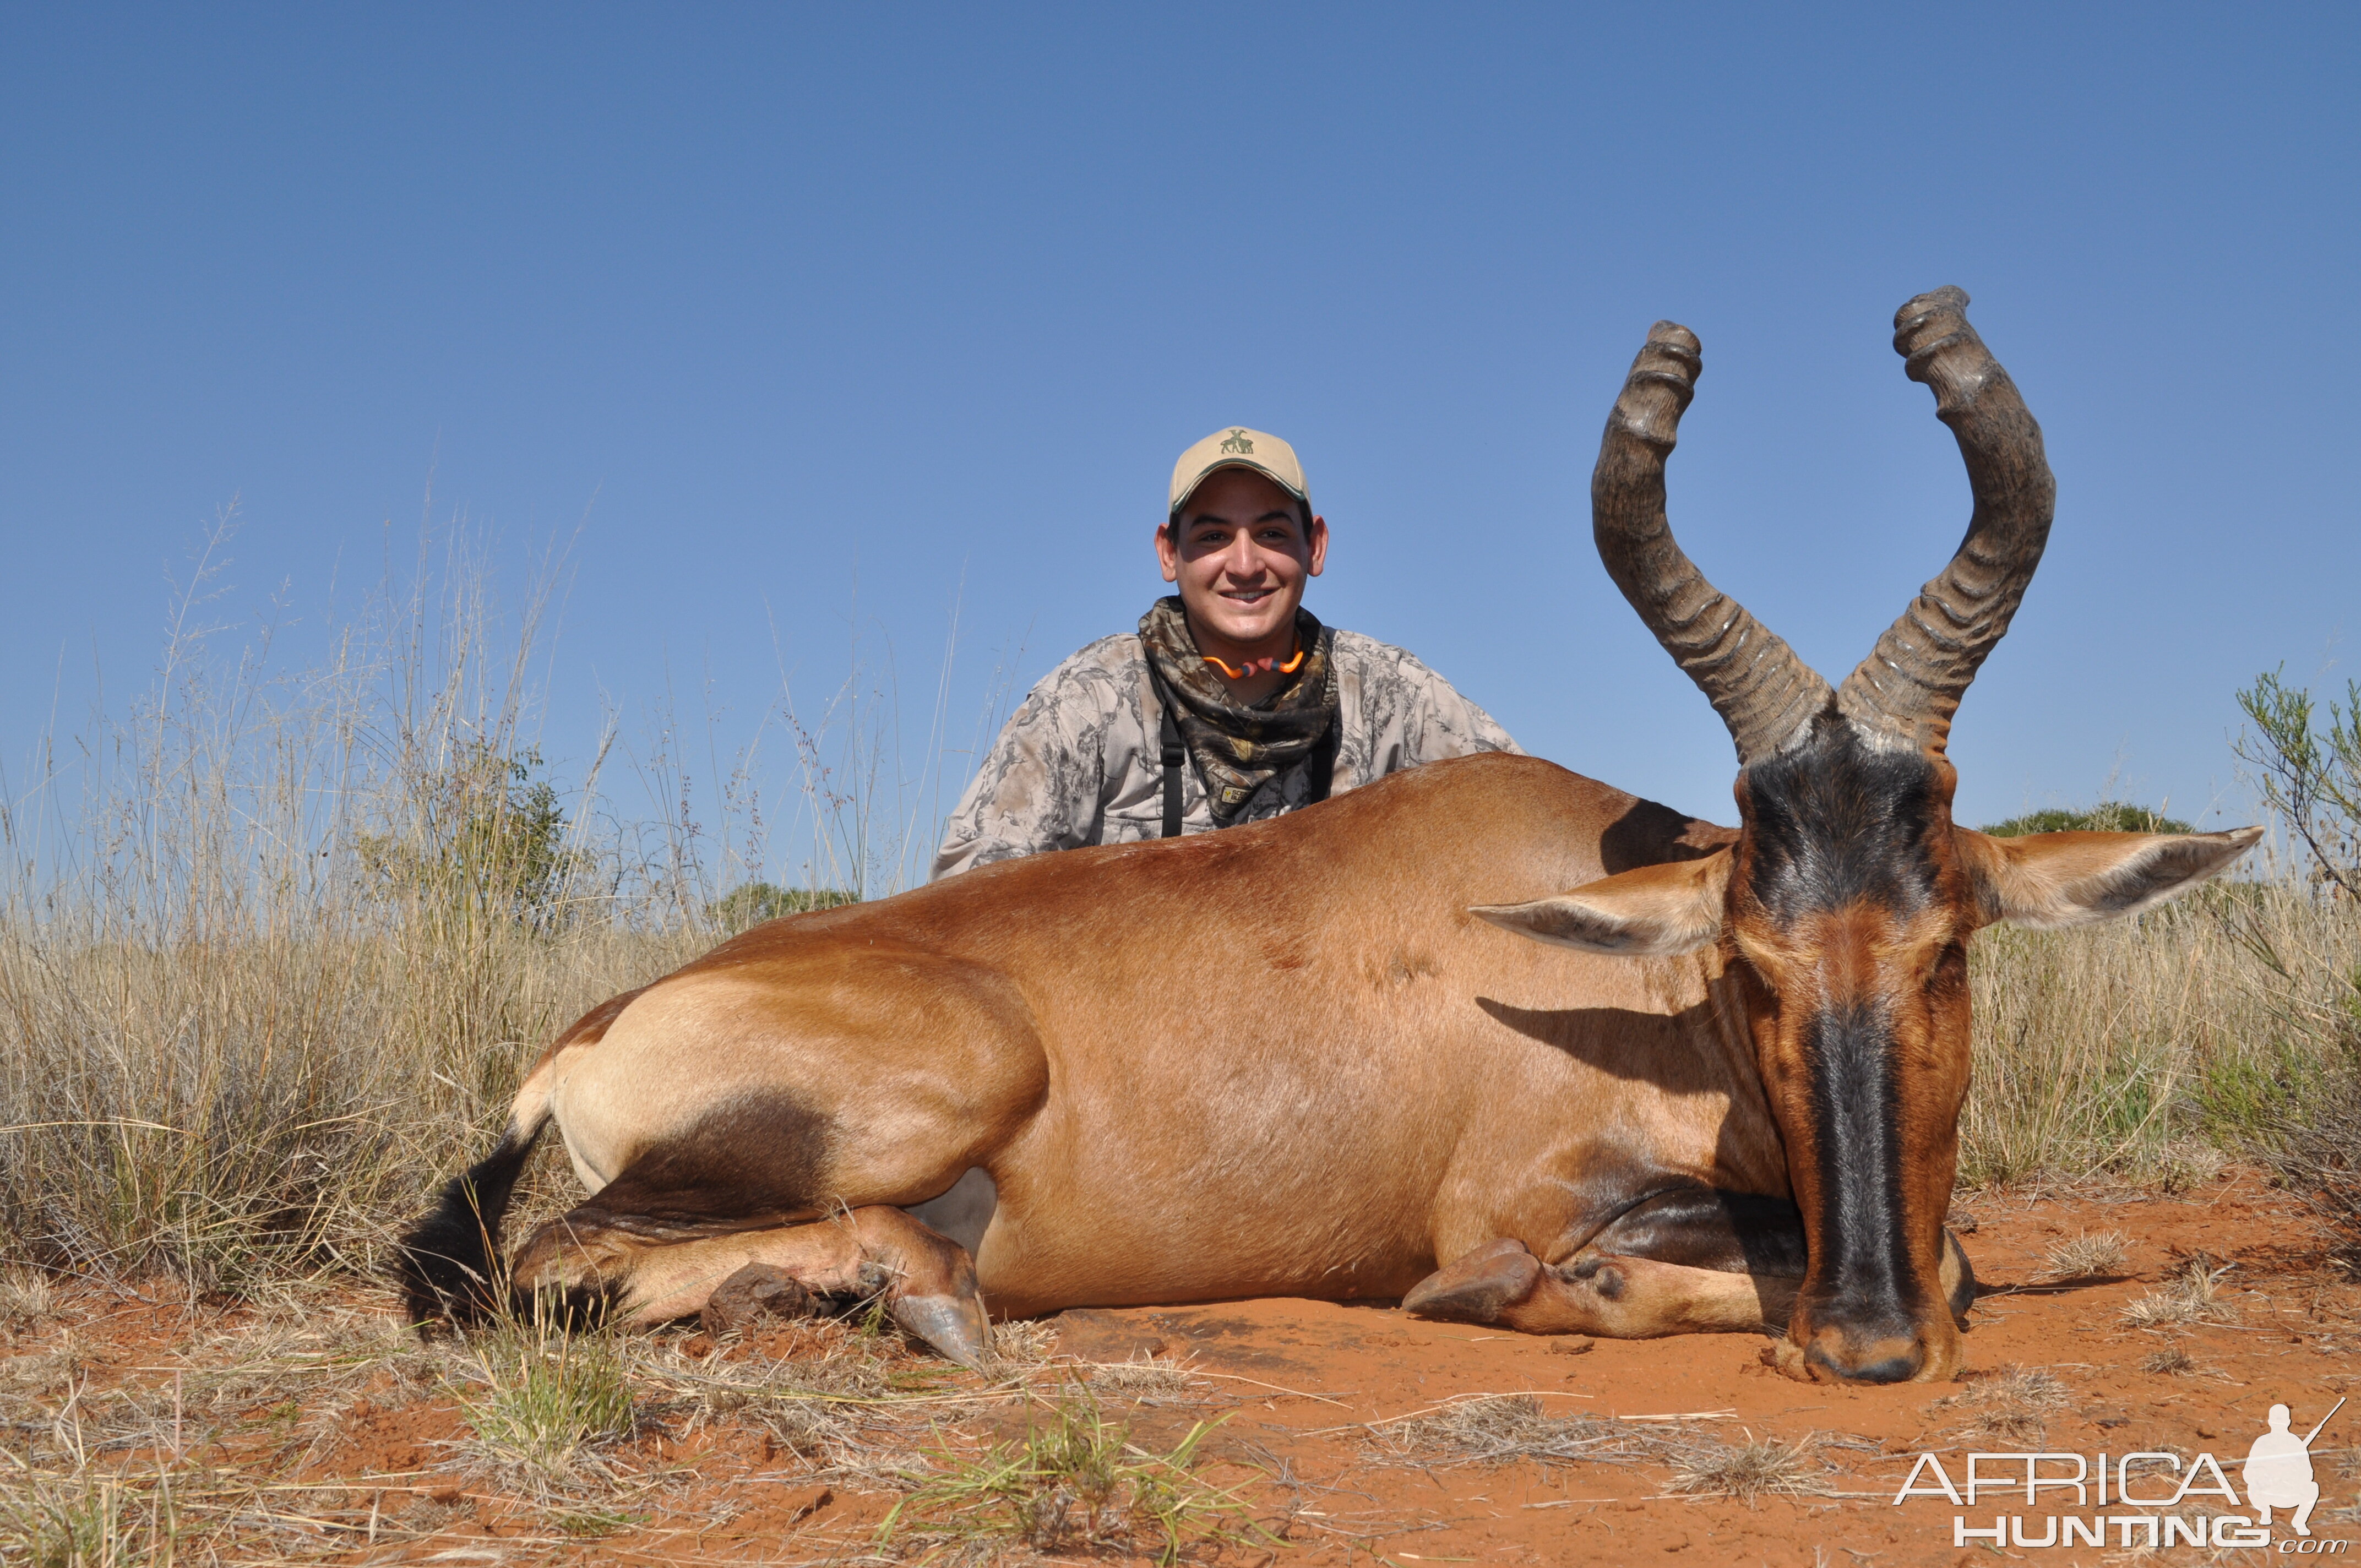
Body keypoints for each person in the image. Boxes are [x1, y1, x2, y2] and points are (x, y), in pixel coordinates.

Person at [932, 425, 1517, 879]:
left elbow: (1519, 810)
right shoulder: (1088, 700)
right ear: (1168, 553)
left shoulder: (1392, 695)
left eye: (1271, 534)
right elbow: (967, 898)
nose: (1244, 565)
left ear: (1314, 546)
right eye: (1212, 537)